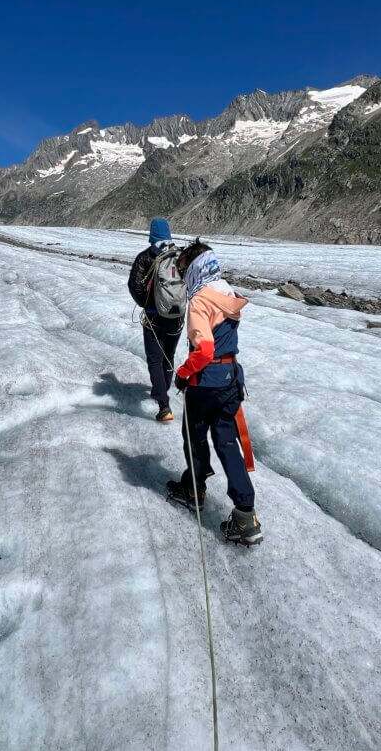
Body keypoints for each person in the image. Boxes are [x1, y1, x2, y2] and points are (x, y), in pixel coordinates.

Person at [166, 241, 263, 545]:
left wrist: (182, 374)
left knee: (194, 437)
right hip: (230, 381)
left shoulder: (199, 301)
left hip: (205, 383)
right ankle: (245, 515)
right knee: (226, 441)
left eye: (183, 269)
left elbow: (204, 349)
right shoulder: (227, 293)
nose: (182, 276)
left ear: (194, 268)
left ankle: (194, 491)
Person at [127, 218, 182, 422]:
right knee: (169, 355)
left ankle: (163, 405)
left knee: (155, 359)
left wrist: (147, 305)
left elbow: (135, 286)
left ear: (152, 234)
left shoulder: (146, 256)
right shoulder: (180, 255)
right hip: (177, 317)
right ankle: (163, 389)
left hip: (154, 317)